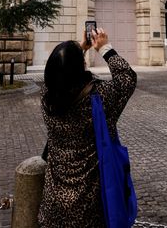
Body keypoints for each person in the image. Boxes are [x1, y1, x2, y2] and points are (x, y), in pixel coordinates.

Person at [38, 28, 137, 227]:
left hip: (54, 202)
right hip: (89, 204)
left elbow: (63, 73)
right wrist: (104, 48)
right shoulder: (99, 99)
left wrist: (80, 49)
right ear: (80, 66)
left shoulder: (46, 98)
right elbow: (127, 77)